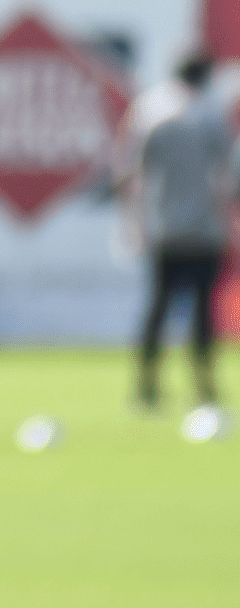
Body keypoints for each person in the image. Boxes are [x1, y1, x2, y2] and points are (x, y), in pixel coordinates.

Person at [122, 51, 232, 407]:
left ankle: (146, 387)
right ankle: (204, 388)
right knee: (203, 312)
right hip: (204, 230)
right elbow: (229, 176)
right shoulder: (210, 116)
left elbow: (130, 175)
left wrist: (134, 223)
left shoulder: (149, 112)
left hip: (163, 228)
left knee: (158, 308)